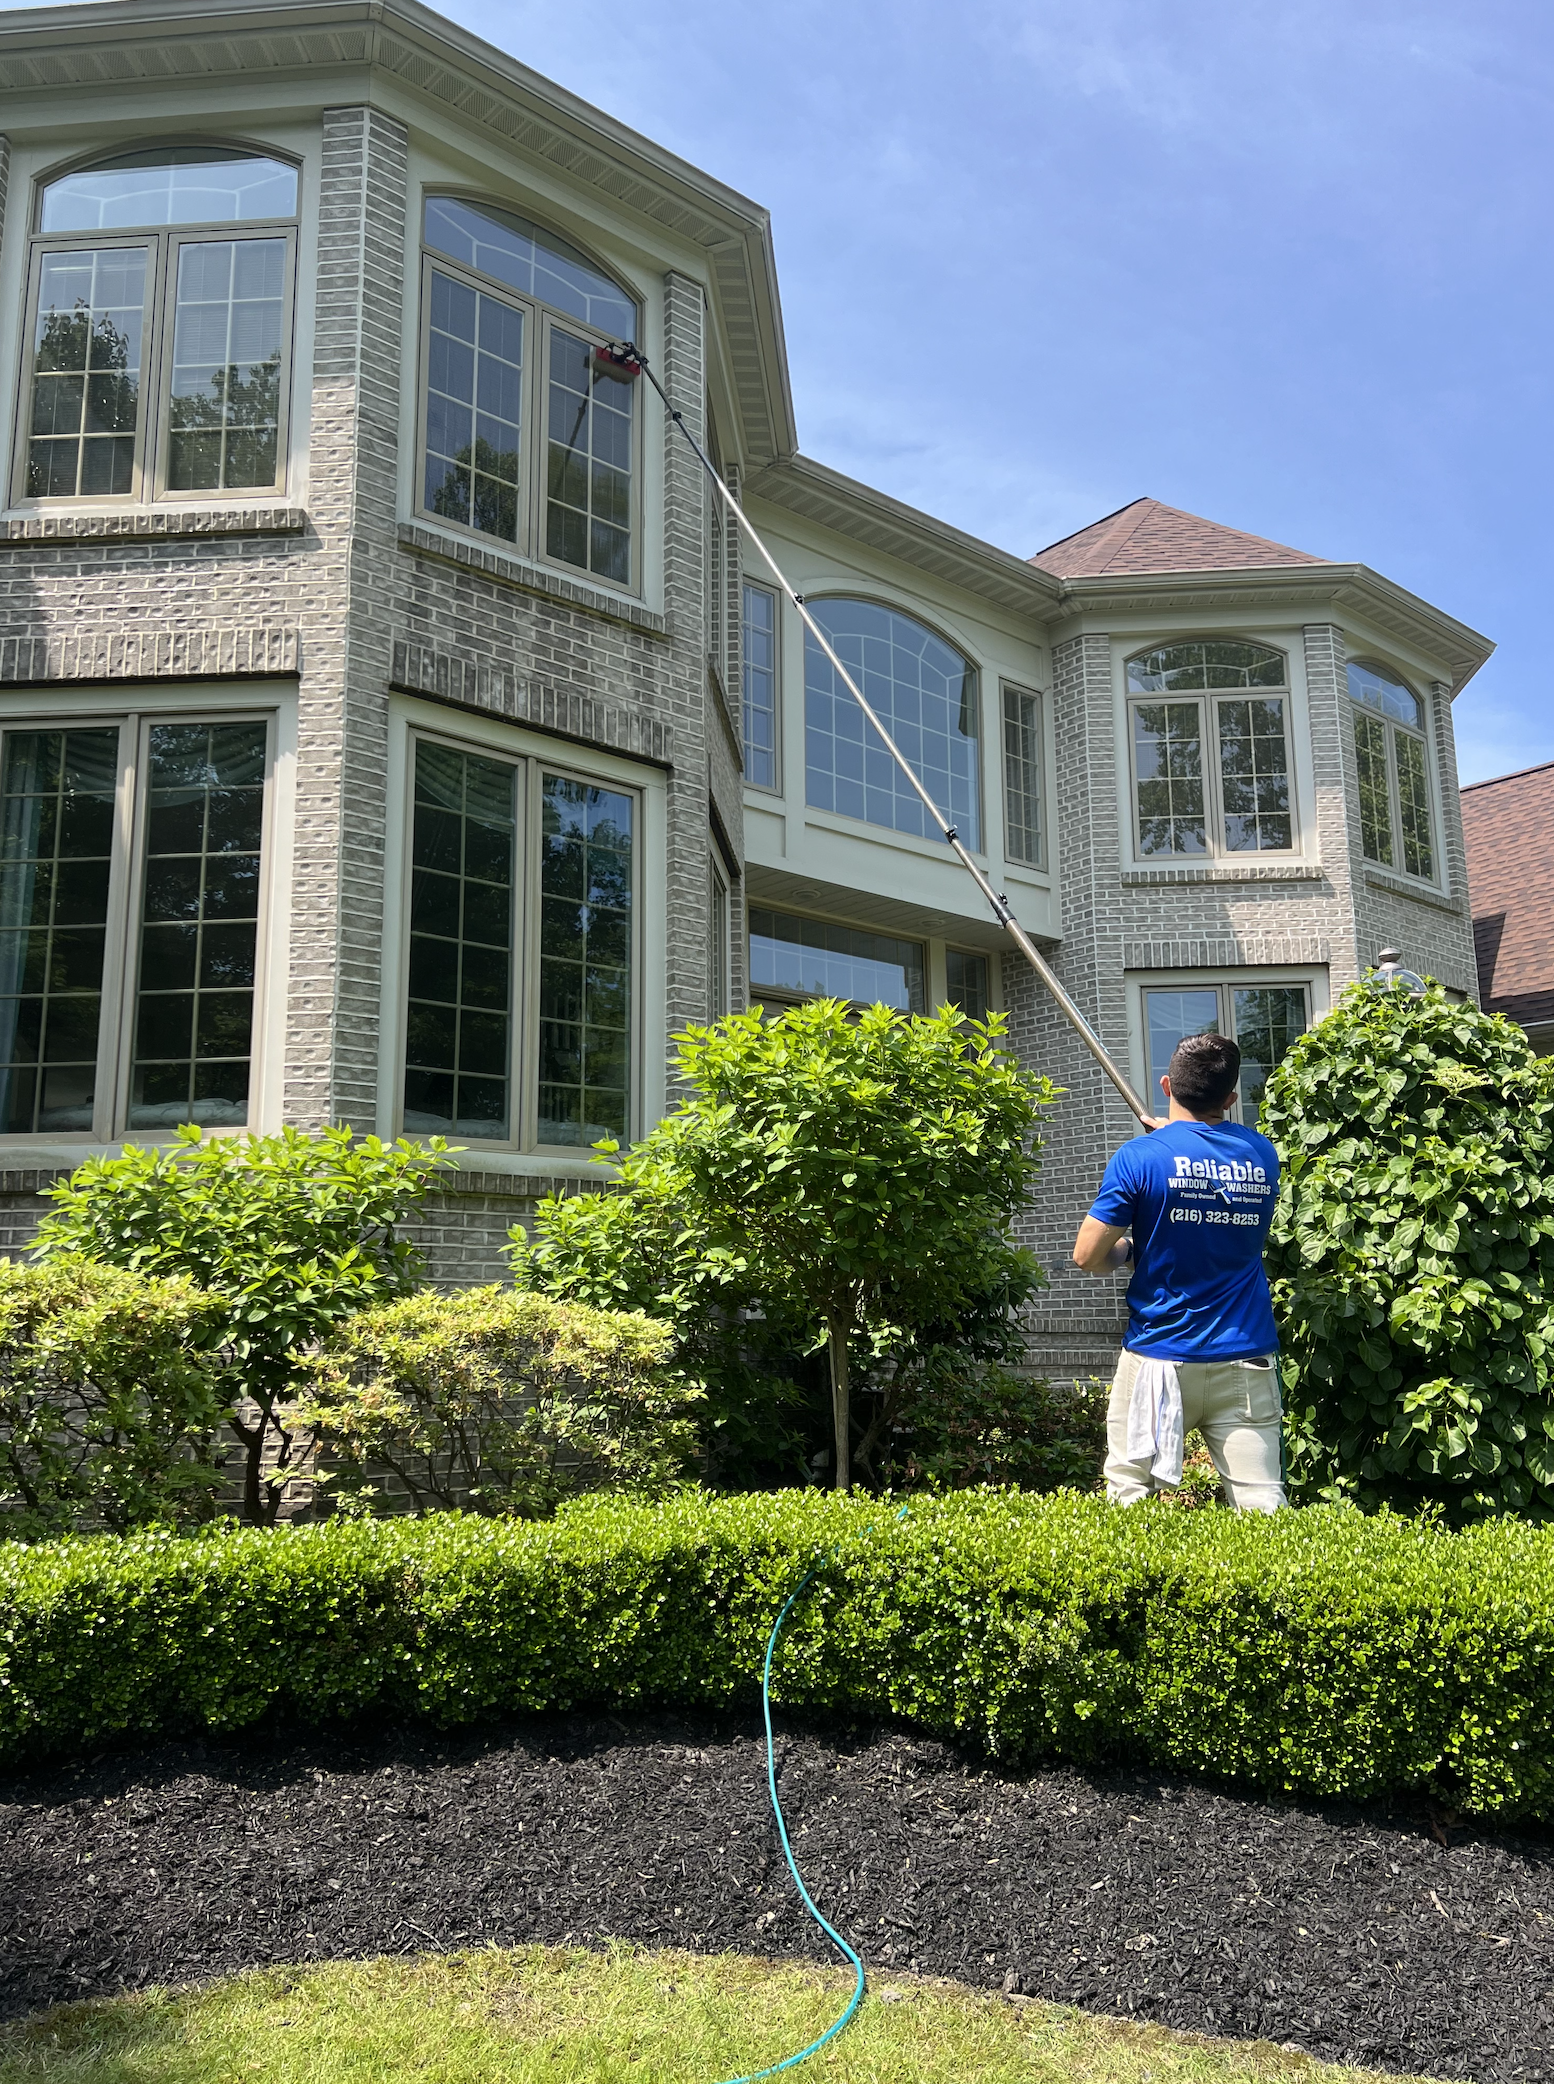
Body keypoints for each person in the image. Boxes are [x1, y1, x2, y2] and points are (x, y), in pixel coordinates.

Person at [1071, 1030, 1285, 1511]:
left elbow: (1087, 1256)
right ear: (1230, 1099)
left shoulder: (1141, 1158)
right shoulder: (1263, 1155)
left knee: (1131, 1498)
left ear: (1167, 1085)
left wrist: (1129, 1250)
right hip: (1246, 1358)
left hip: (1160, 1357)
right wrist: (1174, 1145)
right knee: (1262, 1505)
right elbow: (1207, 1186)